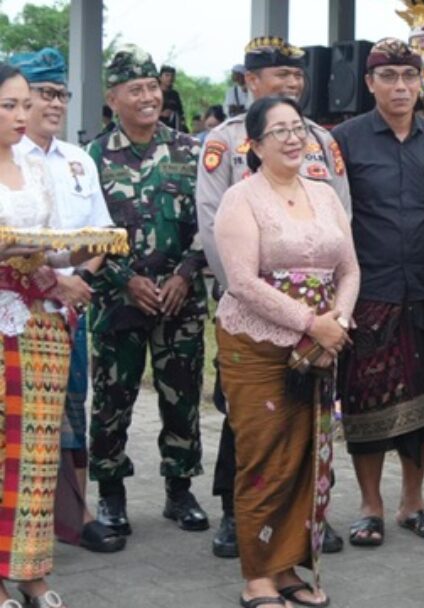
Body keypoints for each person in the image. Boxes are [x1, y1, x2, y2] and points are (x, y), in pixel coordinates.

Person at [197, 35, 350, 559]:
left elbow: (341, 221)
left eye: (297, 75)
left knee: (308, 425)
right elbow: (213, 226)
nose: (291, 83)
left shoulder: (321, 142)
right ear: (250, 82)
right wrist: (259, 298)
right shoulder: (225, 140)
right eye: (279, 75)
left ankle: (304, 523)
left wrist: (330, 313)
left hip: (318, 320)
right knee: (251, 422)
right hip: (255, 312)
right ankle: (235, 516)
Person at [215, 95, 359, 608]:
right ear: (254, 145)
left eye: (299, 128)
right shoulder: (242, 198)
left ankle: (289, 568)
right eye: (280, 131)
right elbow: (241, 282)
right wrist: (309, 322)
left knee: (308, 458)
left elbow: (350, 269)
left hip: (319, 345)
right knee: (264, 456)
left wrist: (335, 323)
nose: (294, 138)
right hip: (257, 343)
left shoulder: (324, 195)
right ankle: (258, 573)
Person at [331, 38, 424, 549]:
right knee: (365, 404)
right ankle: (370, 506)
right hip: (369, 292)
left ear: (421, 81)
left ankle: (413, 501)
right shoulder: (344, 141)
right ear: (370, 84)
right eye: (389, 77)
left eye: (409, 77)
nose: (400, 87)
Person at [86, 45, 209, 540]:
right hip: (118, 301)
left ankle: (180, 491)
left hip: (181, 301)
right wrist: (125, 281)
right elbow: (86, 231)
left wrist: (184, 274)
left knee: (182, 396)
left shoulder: (191, 151)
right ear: (113, 97)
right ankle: (111, 495)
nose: (147, 97)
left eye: (152, 87)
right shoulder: (91, 158)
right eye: (134, 89)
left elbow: (213, 223)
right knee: (112, 398)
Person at [11, 48, 126, 556]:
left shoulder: (78, 160)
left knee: (70, 410)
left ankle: (72, 512)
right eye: (43, 94)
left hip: (68, 308)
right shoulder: (11, 159)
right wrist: (52, 280)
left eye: (62, 94)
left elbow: (97, 234)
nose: (54, 104)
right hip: (16, 306)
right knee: (18, 419)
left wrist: (77, 277)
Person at [0, 59, 106, 608]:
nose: (24, 115)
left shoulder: (38, 167)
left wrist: (89, 251)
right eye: (9, 105)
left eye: (26, 103)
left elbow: (48, 242)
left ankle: (31, 572)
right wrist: (39, 268)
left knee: (40, 452)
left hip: (41, 322)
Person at [159, 65, 186, 132]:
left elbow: (180, 113)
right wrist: (161, 114)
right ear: (160, 77)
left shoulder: (175, 95)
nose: (170, 78)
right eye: (167, 75)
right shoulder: (154, 93)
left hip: (173, 128)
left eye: (172, 76)